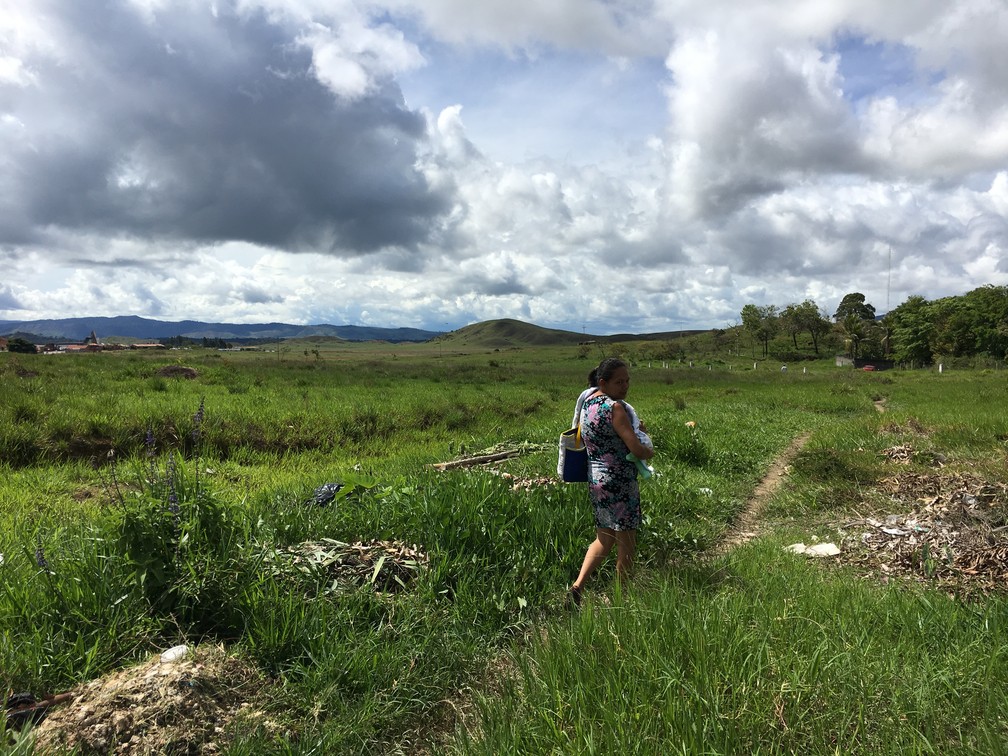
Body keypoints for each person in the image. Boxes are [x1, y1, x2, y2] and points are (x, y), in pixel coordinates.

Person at [569, 358, 653, 606]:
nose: (625, 386)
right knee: (626, 541)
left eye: (627, 381)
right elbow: (636, 449)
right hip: (619, 480)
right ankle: (619, 599)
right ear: (603, 382)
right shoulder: (616, 408)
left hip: (595, 479)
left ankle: (577, 587)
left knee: (604, 538)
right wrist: (649, 446)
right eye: (619, 382)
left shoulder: (588, 403)